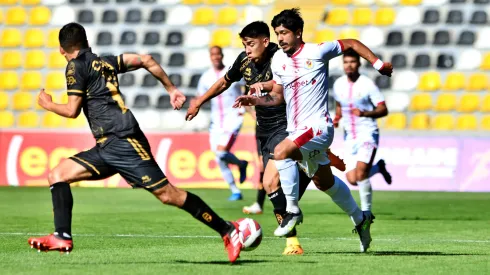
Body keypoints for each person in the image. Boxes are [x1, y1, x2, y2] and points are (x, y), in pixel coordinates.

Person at [27, 22, 243, 263]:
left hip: (124, 140)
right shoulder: (107, 61)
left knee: (168, 195)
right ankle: (62, 236)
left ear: (61, 50)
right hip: (106, 145)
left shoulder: (74, 66)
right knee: (57, 174)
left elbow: (71, 110)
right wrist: (171, 89)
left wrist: (47, 104)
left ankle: (228, 230)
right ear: (87, 43)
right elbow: (146, 59)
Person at [234, 8, 393, 252]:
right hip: (297, 130)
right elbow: (278, 95)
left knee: (281, 151)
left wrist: (378, 63)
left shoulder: (317, 51)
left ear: (298, 33)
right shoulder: (278, 60)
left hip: (318, 127)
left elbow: (351, 42)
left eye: (285, 33)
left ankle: (292, 211)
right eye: (278, 34)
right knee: (324, 182)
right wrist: (255, 98)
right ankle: (361, 219)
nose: (281, 38)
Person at [186, 21, 332, 255]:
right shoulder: (244, 61)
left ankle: (292, 242)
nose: (247, 49)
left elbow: (282, 93)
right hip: (262, 127)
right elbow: (225, 81)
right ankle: (307, 171)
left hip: (286, 124)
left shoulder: (281, 58)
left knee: (271, 182)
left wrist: (260, 92)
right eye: (244, 45)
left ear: (266, 41)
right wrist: (199, 101)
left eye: (251, 44)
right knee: (270, 182)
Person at [332, 49, 393, 213]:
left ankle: (367, 212)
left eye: (352, 62)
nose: (349, 65)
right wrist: (337, 118)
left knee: (360, 175)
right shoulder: (338, 84)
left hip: (367, 132)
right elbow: (339, 104)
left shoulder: (367, 84)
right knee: (352, 179)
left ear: (359, 63)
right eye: (346, 62)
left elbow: (383, 109)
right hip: (349, 136)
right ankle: (378, 167)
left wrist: (365, 113)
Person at [195, 46, 248, 201]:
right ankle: (235, 189)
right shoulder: (206, 77)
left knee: (221, 152)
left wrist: (246, 103)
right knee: (219, 157)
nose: (216, 57)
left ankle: (241, 166)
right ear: (210, 57)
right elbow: (200, 96)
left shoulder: (232, 73)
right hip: (216, 121)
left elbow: (247, 87)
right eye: (213, 54)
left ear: (222, 55)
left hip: (234, 118)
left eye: (218, 54)